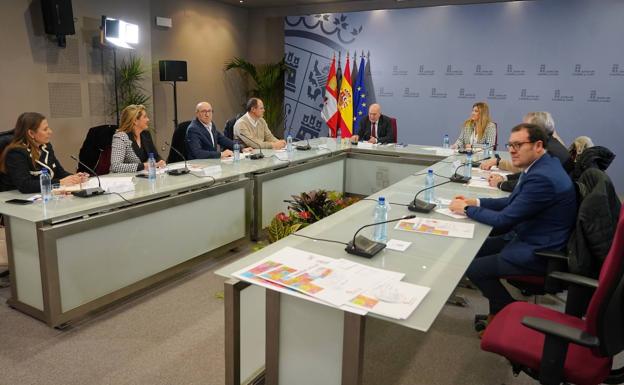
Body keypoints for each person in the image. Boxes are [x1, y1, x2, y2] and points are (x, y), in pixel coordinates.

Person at [449, 123, 577, 332]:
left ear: (538, 145)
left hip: (539, 250)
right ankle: (498, 312)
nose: (511, 150)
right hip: (529, 235)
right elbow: (513, 203)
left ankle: (510, 311)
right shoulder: (541, 166)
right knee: (473, 249)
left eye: (518, 145)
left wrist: (466, 209)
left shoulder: (542, 177)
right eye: (510, 144)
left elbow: (504, 220)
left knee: (474, 268)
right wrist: (476, 202)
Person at [0, 112, 88, 193]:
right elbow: (25, 185)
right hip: (15, 200)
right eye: (45, 129)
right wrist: (60, 182)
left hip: (42, 196)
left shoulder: (46, 147)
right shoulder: (16, 153)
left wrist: (75, 178)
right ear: (31, 133)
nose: (50, 132)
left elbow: (59, 173)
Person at [484, 111, 573, 191]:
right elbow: (528, 173)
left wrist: (500, 184)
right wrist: (504, 178)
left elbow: (529, 184)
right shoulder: (552, 143)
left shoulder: (548, 152)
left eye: (525, 128)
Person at [110, 104, 165, 173]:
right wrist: (143, 166)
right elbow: (115, 166)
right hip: (123, 181)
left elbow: (154, 156)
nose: (148, 119)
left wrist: (160, 161)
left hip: (143, 178)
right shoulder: (120, 137)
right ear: (135, 121)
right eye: (145, 117)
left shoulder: (145, 134)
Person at [186, 102, 251, 159]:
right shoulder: (193, 129)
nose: (207, 114)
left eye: (209, 111)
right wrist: (221, 154)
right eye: (203, 111)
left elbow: (222, 139)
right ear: (197, 114)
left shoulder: (210, 124)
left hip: (211, 162)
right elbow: (198, 153)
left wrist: (241, 148)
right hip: (199, 164)